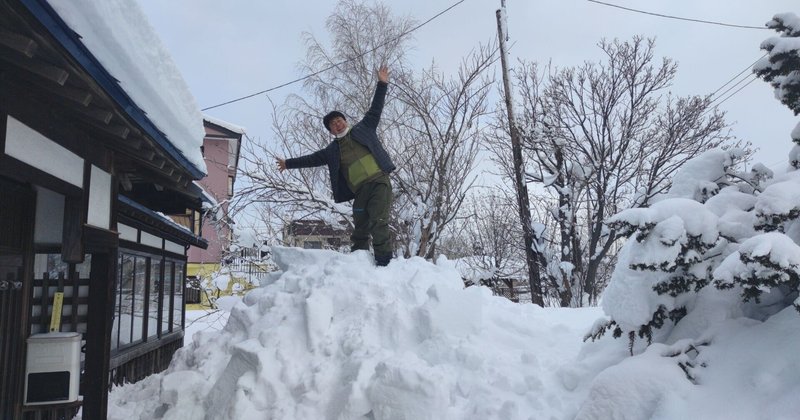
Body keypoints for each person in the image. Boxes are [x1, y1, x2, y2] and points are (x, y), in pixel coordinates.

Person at [277, 65, 395, 266]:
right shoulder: (332, 150)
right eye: (333, 124)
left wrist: (382, 83)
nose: (337, 124)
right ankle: (359, 265)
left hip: (378, 182)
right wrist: (288, 163)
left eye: (339, 120)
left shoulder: (364, 128)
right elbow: (312, 159)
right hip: (360, 192)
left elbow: (376, 108)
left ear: (345, 121)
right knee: (360, 229)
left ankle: (384, 263)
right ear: (330, 130)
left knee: (378, 221)